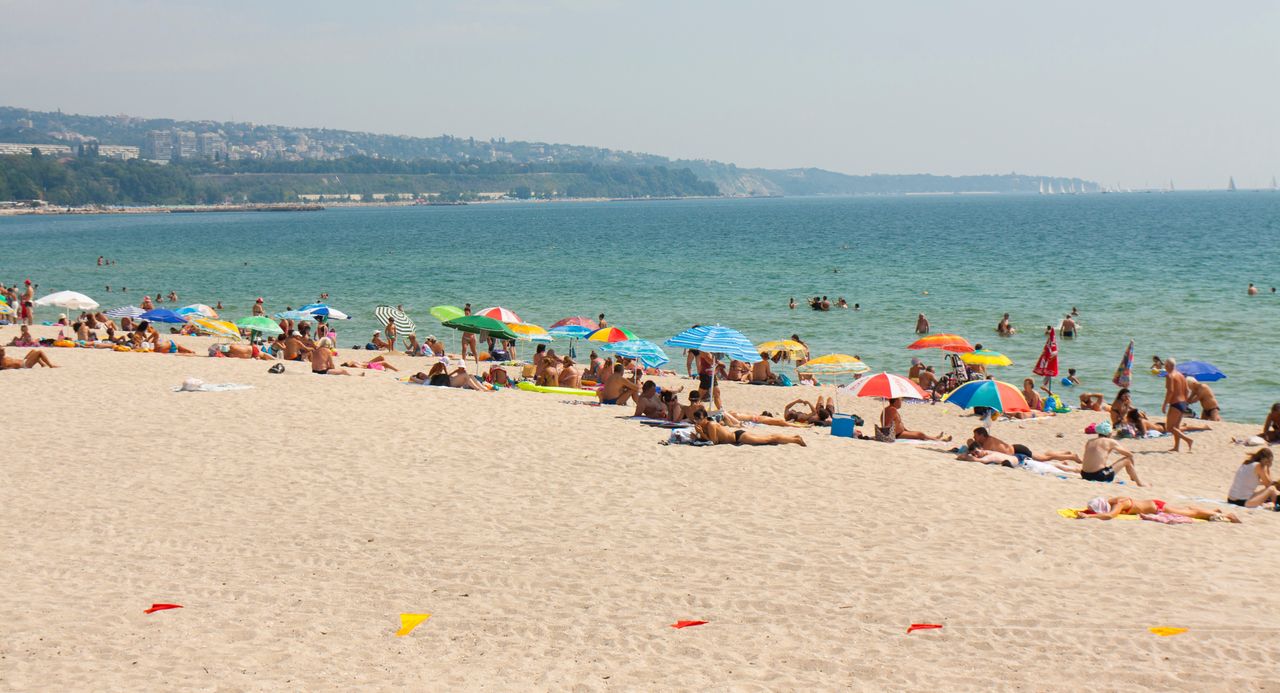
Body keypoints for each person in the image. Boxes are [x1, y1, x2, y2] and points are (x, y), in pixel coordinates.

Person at [690, 408, 806, 447]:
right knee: (767, 438)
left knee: (768, 439)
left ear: (705, 418)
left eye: (699, 419)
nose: (698, 421)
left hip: (739, 437)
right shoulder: (704, 425)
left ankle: (795, 439)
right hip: (737, 436)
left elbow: (714, 442)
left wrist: (701, 434)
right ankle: (794, 437)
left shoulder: (710, 424)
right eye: (696, 419)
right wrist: (697, 436)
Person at [1075, 496, 1238, 522]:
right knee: (1187, 509)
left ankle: (1227, 515)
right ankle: (1214, 511)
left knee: (1191, 513)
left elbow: (1110, 516)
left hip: (1157, 507)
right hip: (1155, 506)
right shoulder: (1113, 500)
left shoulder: (1119, 504)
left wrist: (1090, 518)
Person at [1080, 422, 1146, 486]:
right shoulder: (1110, 441)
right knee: (1127, 460)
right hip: (1098, 476)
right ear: (1109, 433)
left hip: (1084, 475)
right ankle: (1139, 483)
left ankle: (1132, 477)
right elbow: (1129, 454)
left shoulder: (1090, 441)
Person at [969, 427, 1082, 464]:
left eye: (976, 436)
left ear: (982, 435)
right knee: (1044, 455)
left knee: (1045, 459)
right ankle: (1065, 453)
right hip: (1016, 448)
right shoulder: (986, 440)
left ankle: (1072, 457)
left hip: (1018, 451)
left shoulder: (988, 443)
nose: (974, 438)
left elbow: (983, 455)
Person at [1161, 358, 1195, 452]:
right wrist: (1185, 402)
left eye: (1165, 365)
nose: (1164, 367)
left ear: (1168, 366)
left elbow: (1170, 391)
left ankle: (1188, 440)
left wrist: (1165, 404)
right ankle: (1176, 447)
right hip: (1183, 403)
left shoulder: (1170, 376)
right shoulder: (1181, 375)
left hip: (1175, 403)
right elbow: (1187, 390)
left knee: (1169, 427)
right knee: (1176, 427)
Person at [879, 398, 950, 441]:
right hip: (895, 434)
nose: (901, 402)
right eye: (900, 400)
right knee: (920, 434)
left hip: (899, 432)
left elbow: (896, 423)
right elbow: (887, 424)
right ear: (896, 401)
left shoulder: (888, 409)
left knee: (918, 433)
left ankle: (934, 437)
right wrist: (886, 434)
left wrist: (907, 430)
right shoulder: (892, 410)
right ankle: (937, 439)